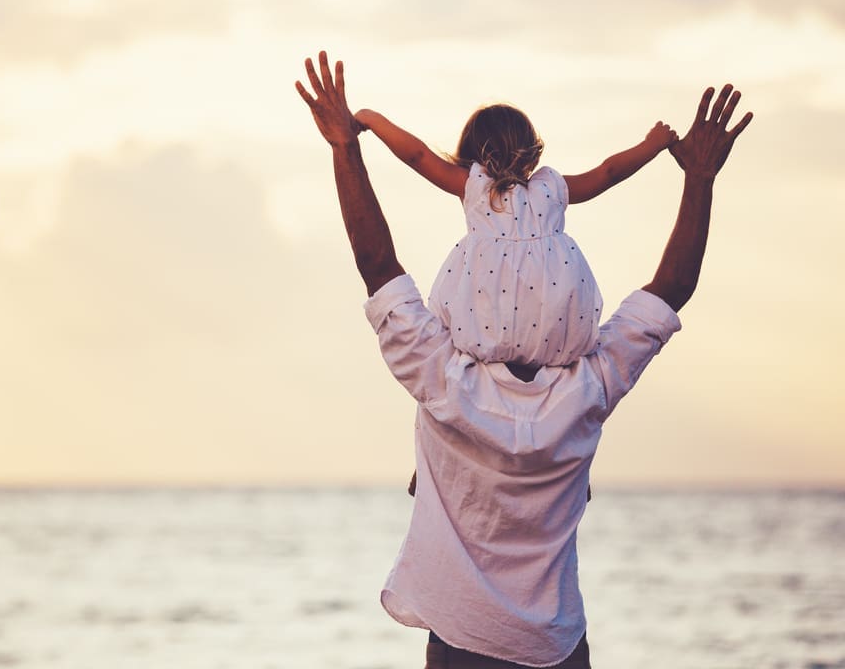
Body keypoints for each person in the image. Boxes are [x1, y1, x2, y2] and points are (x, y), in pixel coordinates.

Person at [296, 51, 751, 669]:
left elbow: (378, 266)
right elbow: (670, 288)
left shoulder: (443, 381)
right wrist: (698, 179)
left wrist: (346, 146)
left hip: (461, 643)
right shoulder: (589, 388)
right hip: (556, 647)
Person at [354, 105, 677, 366]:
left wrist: (371, 119)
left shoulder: (475, 186)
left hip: (488, 329)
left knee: (480, 321)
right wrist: (652, 145)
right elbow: (608, 173)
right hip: (553, 329)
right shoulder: (552, 188)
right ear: (532, 153)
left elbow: (418, 156)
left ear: (472, 153)